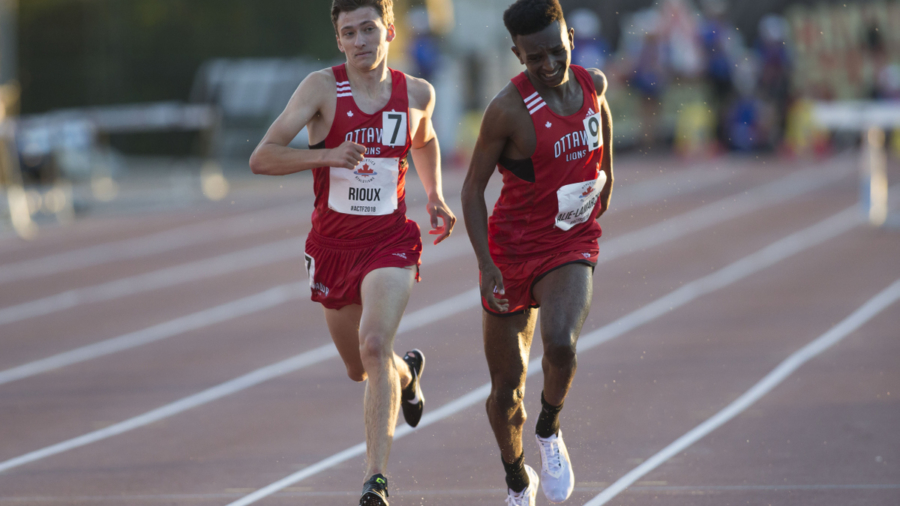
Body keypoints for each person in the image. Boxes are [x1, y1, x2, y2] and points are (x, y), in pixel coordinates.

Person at [248, 1, 456, 504]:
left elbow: (424, 141)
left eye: (369, 29)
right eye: (349, 33)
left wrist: (435, 195)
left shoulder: (418, 94)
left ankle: (374, 482)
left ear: (388, 30)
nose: (361, 40)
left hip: (391, 242)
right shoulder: (321, 89)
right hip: (334, 248)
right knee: (360, 368)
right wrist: (326, 155)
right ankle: (405, 374)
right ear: (339, 41)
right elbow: (262, 157)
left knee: (373, 344)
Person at [460, 0, 613, 504]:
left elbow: (603, 128)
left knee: (562, 345)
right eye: (534, 59)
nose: (548, 66)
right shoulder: (507, 110)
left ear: (569, 35)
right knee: (505, 392)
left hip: (569, 243)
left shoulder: (592, 85)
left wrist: (604, 183)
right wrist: (486, 264)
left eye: (555, 51)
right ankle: (515, 479)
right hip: (511, 251)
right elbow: (471, 190)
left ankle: (548, 429)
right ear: (516, 54)